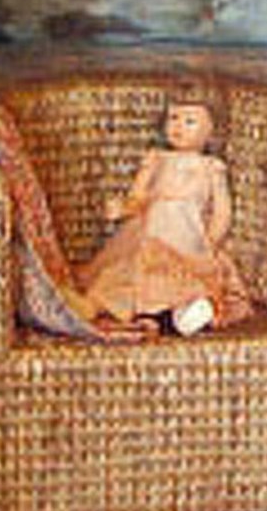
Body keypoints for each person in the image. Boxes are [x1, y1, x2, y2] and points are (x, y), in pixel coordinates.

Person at [79, 100, 252, 335]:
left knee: (188, 281)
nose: (178, 126)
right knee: (129, 275)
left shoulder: (211, 167)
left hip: (188, 242)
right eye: (174, 118)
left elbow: (222, 211)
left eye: (190, 121)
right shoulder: (156, 159)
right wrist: (123, 208)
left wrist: (211, 241)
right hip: (151, 237)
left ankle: (185, 313)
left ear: (212, 131)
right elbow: (137, 197)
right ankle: (111, 309)